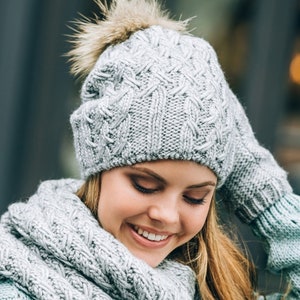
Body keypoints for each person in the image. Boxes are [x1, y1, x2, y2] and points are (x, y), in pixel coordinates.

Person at [0, 0, 299, 299]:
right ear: (97, 167)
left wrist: (265, 198)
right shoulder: (16, 286)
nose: (166, 215)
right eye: (145, 185)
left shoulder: (213, 291)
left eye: (195, 197)